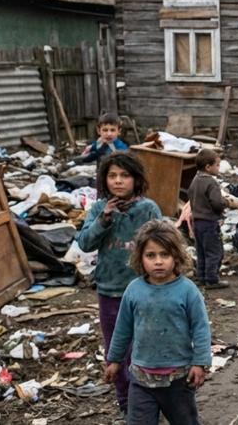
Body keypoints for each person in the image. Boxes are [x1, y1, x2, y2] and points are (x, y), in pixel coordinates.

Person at [77, 152, 163, 420]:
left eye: (125, 175)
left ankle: (152, 400)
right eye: (112, 175)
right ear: (104, 180)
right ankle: (126, 403)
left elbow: (161, 245)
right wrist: (104, 218)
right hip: (110, 290)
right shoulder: (99, 208)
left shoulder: (147, 209)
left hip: (145, 291)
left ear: (137, 180)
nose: (118, 181)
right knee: (117, 352)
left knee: (147, 348)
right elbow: (85, 244)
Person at [104, 220, 211, 425]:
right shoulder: (134, 290)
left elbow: (200, 328)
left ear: (176, 256)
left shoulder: (188, 291)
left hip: (178, 380)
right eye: (150, 255)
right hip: (141, 380)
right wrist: (115, 361)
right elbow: (122, 329)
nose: (158, 262)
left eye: (165, 254)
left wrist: (200, 362)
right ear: (140, 258)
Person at [187, 148, 228, 289]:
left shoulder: (195, 181)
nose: (218, 168)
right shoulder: (211, 183)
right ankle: (212, 279)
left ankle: (202, 277)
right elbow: (217, 202)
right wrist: (226, 203)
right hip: (209, 223)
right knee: (214, 252)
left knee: (201, 251)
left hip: (197, 223)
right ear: (208, 167)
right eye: (217, 165)